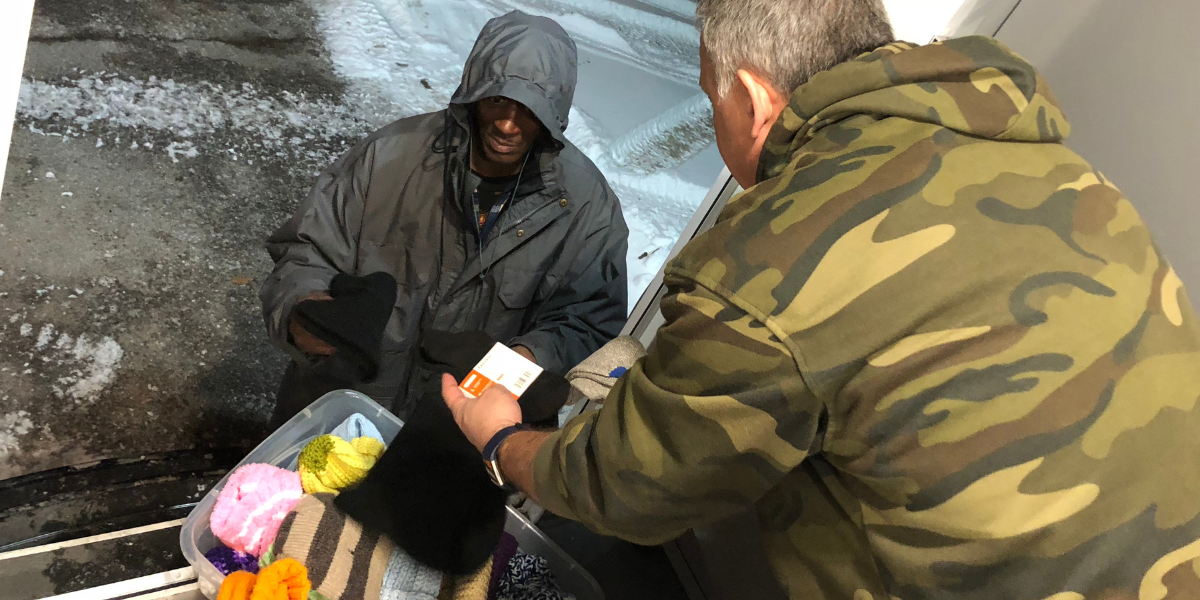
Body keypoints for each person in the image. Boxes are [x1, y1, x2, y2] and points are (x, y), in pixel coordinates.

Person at [440, 0, 1200, 597]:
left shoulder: (772, 258)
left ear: (751, 98)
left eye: (713, 100)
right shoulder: (1066, 174)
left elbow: (625, 484)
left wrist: (502, 441)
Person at [260, 11, 628, 425]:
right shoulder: (389, 157)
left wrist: (516, 365)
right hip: (338, 411)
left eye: (529, 110)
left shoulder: (586, 206)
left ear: (554, 114)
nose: (508, 124)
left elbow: (588, 319)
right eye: (497, 100)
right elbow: (305, 251)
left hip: (461, 438)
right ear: (473, 94)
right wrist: (311, 319)